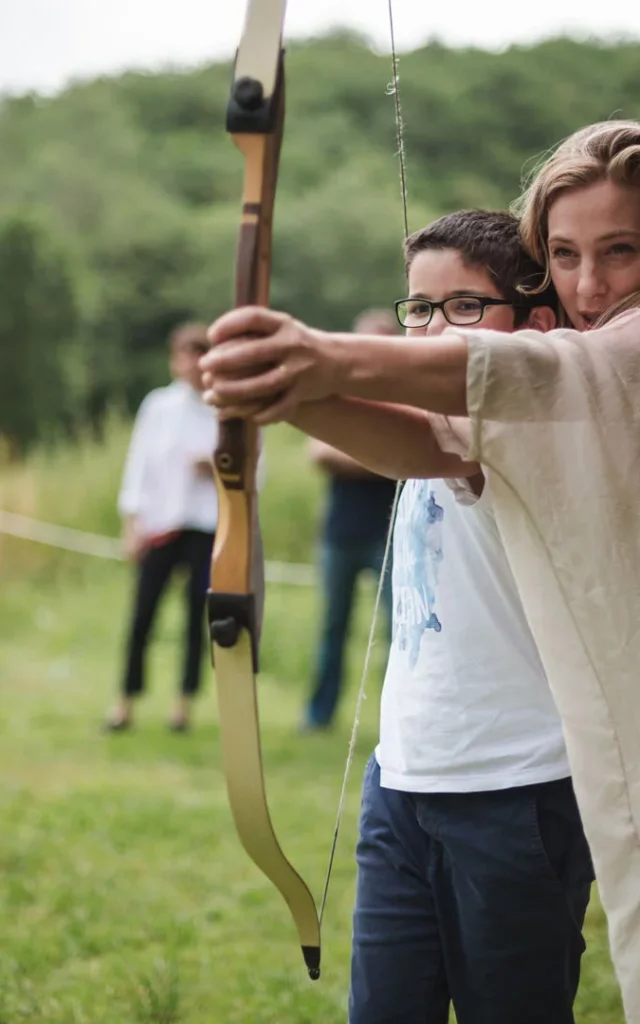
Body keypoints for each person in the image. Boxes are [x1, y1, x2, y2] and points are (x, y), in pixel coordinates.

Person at [201, 121, 640, 1022]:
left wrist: (321, 356)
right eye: (564, 254)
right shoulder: (487, 413)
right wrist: (281, 390)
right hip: (403, 782)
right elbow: (416, 444)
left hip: (518, 793)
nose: (591, 284)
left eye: (621, 251)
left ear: (531, 324)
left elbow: (527, 378)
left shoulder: (563, 385)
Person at [105, 321, 219, 733]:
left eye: (199, 354)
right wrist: (132, 522)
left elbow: (249, 472)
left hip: (206, 528)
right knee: (143, 617)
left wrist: (215, 469)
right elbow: (139, 467)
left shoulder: (226, 409)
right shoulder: (158, 406)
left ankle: (182, 704)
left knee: (196, 620)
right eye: (185, 355)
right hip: (161, 526)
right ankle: (125, 701)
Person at [303, 309, 397, 732]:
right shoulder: (336, 396)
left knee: (399, 633)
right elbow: (318, 455)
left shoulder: (406, 397)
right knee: (332, 630)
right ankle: (318, 716)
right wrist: (383, 456)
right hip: (341, 533)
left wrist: (356, 457)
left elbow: (411, 463)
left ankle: (393, 720)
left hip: (391, 535)